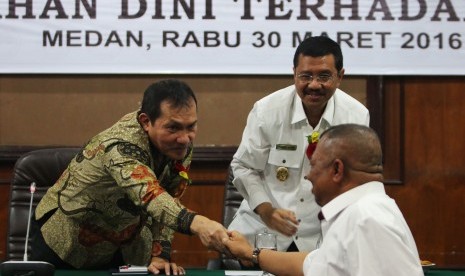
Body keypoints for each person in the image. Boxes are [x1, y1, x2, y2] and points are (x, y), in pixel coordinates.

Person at [31, 79, 228, 275]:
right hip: (65, 242)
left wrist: (160, 254)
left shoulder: (180, 144)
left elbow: (169, 197)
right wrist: (200, 224)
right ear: (145, 122)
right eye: (173, 128)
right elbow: (151, 195)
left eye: (191, 126)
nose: (185, 138)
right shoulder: (118, 145)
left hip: (121, 245)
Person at [228, 36, 370, 255]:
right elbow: (243, 167)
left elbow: (354, 183)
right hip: (260, 234)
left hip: (321, 241)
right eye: (305, 76)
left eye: (324, 76)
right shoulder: (267, 111)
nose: (314, 85)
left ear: (340, 76)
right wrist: (266, 210)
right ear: (294, 73)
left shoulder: (356, 117)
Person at [224, 124, 424, 276]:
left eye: (314, 166)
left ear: (337, 170)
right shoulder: (362, 210)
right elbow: (314, 263)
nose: (308, 176)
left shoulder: (365, 219)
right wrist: (251, 253)